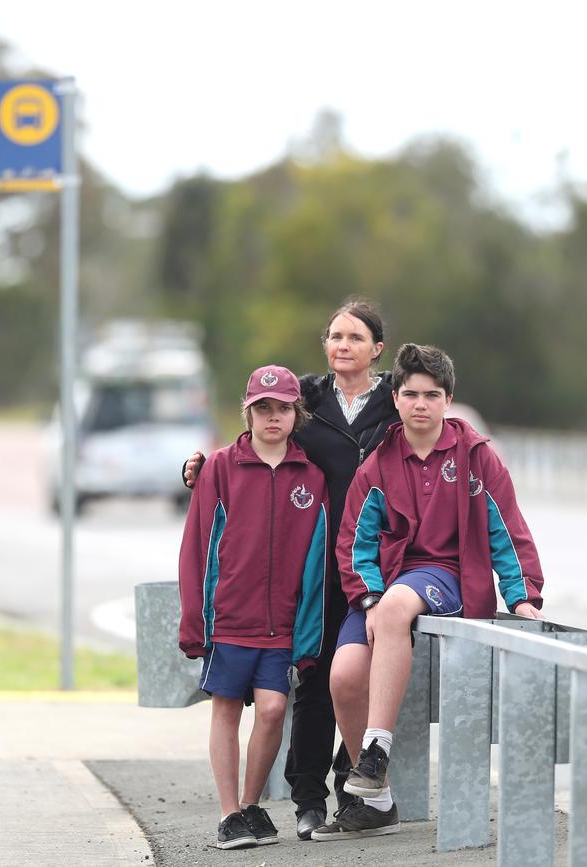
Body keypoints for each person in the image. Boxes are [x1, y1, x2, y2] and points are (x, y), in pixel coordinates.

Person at [183, 299, 401, 840]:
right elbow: (255, 434)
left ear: (377, 348)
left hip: (377, 561)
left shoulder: (398, 399)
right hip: (315, 567)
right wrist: (200, 466)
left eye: (355, 337)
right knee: (314, 679)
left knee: (357, 675)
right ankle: (308, 798)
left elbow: (437, 435)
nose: (343, 345)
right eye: (334, 336)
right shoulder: (308, 396)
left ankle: (360, 785)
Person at [310, 342, 544, 841]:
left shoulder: (477, 457)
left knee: (396, 606)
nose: (421, 403)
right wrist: (368, 596)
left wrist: (522, 595)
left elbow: (507, 531)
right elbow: (355, 541)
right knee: (345, 677)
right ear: (395, 398)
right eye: (411, 393)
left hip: (446, 577)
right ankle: (378, 803)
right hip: (385, 585)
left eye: (431, 395)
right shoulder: (377, 464)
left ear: (448, 399)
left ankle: (375, 752)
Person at [178, 364, 329, 850]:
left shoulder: (312, 477)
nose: (272, 417)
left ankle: (250, 805)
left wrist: (308, 632)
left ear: (295, 413)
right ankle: (228, 815)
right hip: (229, 621)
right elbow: (196, 547)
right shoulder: (219, 467)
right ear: (247, 411)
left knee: (272, 709)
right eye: (262, 408)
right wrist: (196, 622)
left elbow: (317, 563)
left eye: (282, 408)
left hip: (281, 625)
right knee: (225, 711)